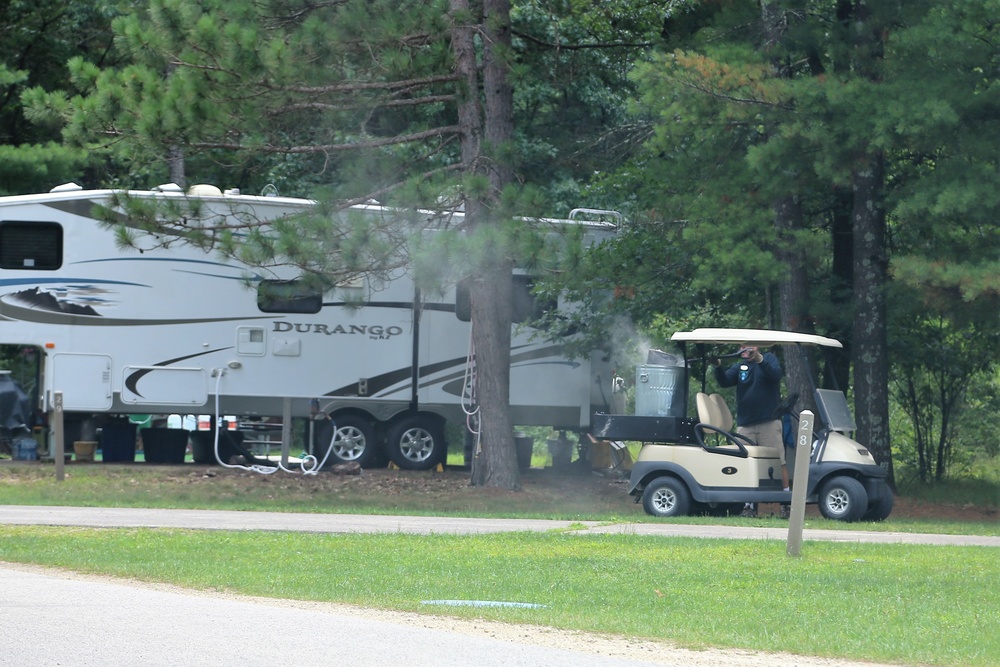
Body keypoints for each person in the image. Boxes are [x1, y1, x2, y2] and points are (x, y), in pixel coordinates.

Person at [713, 345, 788, 518]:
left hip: (769, 420)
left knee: (778, 461)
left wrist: (759, 359)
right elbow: (725, 382)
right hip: (746, 423)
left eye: (750, 346)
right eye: (742, 347)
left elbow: (775, 375)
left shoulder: (768, 359)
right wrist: (718, 367)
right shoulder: (740, 367)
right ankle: (749, 506)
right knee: (746, 463)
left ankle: (786, 503)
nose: (746, 350)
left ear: (757, 347)